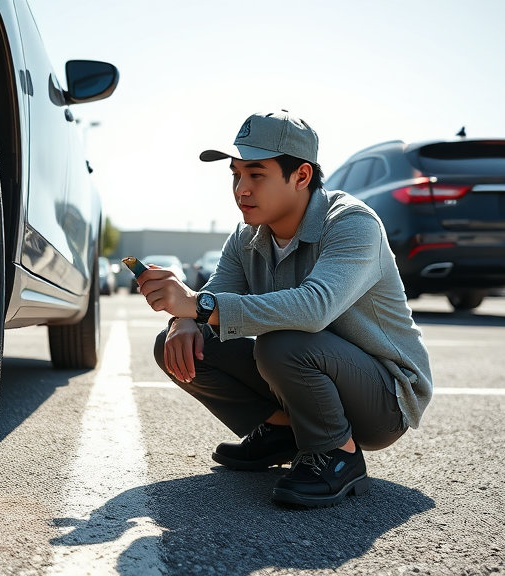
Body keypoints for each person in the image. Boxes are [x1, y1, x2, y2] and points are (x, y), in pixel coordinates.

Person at [136, 110, 432, 508]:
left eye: (256, 175)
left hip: (384, 397)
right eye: (236, 175)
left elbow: (314, 309)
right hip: (313, 371)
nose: (241, 189)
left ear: (302, 176)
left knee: (282, 343)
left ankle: (339, 454)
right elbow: (211, 299)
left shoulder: (352, 223)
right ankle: (282, 431)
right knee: (174, 344)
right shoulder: (246, 237)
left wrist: (195, 306)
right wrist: (182, 320)